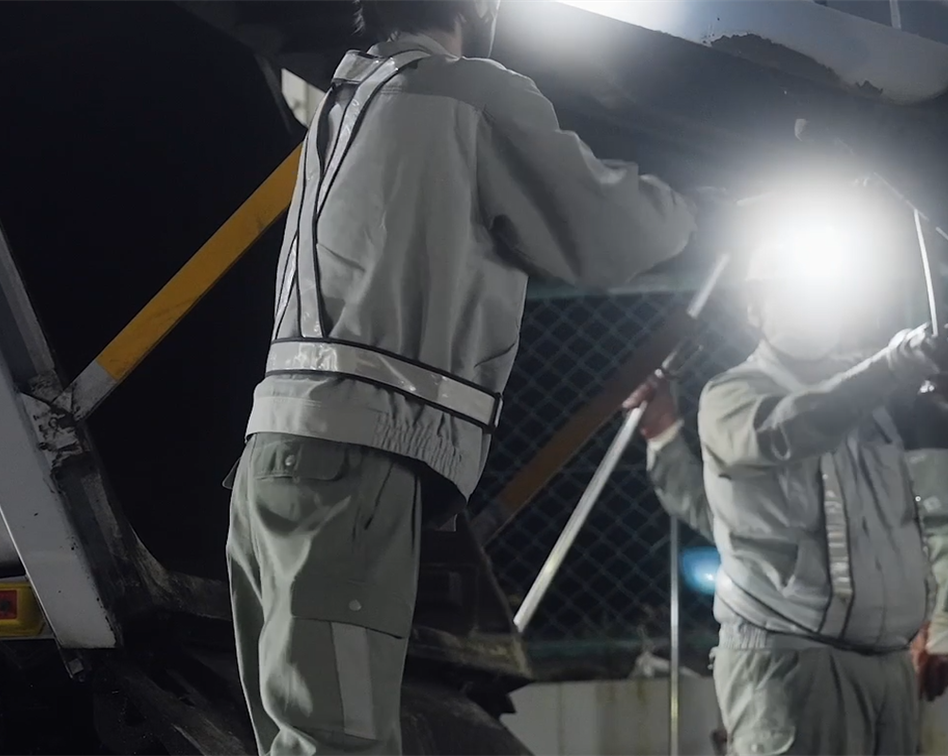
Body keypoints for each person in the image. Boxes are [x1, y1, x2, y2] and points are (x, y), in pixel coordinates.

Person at [223, 0, 715, 753]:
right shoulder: (471, 91)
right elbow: (602, 229)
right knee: (339, 743)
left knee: (303, 740)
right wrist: (703, 213)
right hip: (353, 462)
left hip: (277, 459)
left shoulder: (345, 101)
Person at [642, 250, 948, 756]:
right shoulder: (731, 395)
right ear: (753, 308)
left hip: (889, 665)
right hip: (790, 661)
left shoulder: (879, 391)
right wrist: (893, 364)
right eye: (787, 293)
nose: (806, 307)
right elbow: (791, 427)